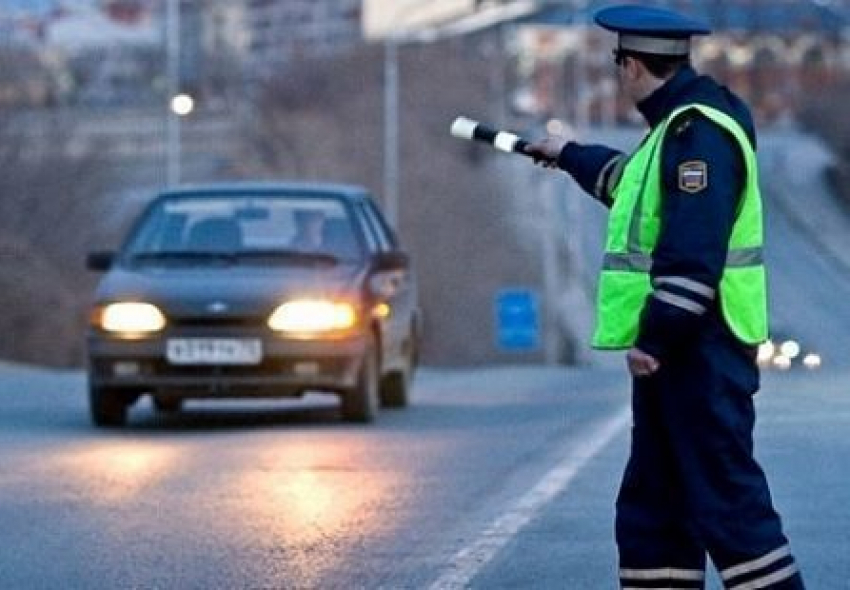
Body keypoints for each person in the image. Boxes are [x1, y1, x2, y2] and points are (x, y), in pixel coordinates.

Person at [524, 5, 804, 589]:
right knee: (656, 506)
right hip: (687, 353)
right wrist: (568, 153)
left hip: (700, 350)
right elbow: (632, 188)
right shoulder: (677, 129)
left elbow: (693, 246)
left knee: (728, 503)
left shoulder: (696, 132)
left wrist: (656, 337)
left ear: (629, 65)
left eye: (617, 63)